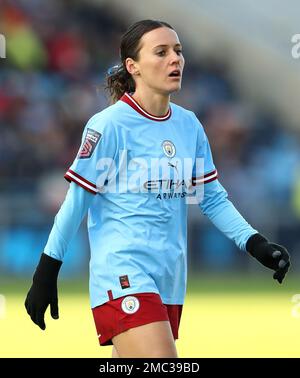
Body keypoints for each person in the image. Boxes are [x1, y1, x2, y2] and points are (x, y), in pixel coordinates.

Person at [24, 19, 291, 358]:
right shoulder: (109, 126)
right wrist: (46, 272)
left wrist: (255, 244)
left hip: (168, 278)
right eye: (162, 52)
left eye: (178, 51)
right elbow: (75, 203)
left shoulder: (189, 125)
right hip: (122, 274)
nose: (175, 59)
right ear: (132, 66)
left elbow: (210, 198)